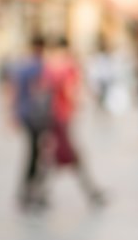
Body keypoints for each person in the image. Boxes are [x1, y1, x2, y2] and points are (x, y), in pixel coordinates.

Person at [42, 38, 107, 207]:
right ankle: (91, 192)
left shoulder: (50, 66)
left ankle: (41, 192)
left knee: (58, 155)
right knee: (67, 155)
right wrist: (80, 101)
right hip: (63, 116)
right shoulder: (68, 67)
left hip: (53, 116)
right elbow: (71, 90)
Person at [9, 35, 50, 211]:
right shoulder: (39, 67)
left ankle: (28, 189)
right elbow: (41, 90)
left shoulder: (24, 66)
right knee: (38, 155)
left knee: (33, 153)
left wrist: (14, 114)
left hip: (27, 115)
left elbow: (15, 90)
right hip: (38, 116)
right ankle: (32, 190)